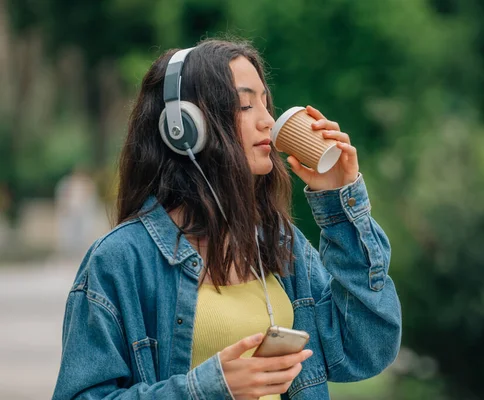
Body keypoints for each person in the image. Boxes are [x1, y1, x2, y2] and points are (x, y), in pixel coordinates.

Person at [52, 38, 401, 400]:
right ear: (184, 127)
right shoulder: (121, 259)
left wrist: (339, 205)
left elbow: (367, 349)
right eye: (246, 104)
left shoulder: (279, 242)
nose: (268, 121)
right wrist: (208, 389)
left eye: (266, 103)